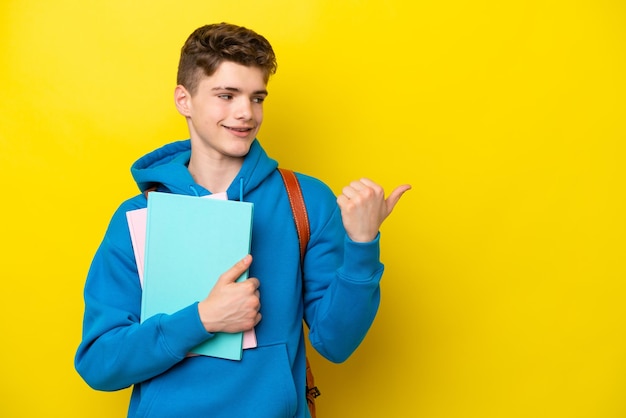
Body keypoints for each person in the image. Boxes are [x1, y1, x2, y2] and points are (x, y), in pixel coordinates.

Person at [75, 22, 410, 418]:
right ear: (184, 99)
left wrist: (362, 245)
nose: (245, 113)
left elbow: (336, 343)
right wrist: (202, 319)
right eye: (226, 95)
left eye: (257, 97)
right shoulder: (138, 217)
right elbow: (99, 363)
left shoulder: (305, 201)